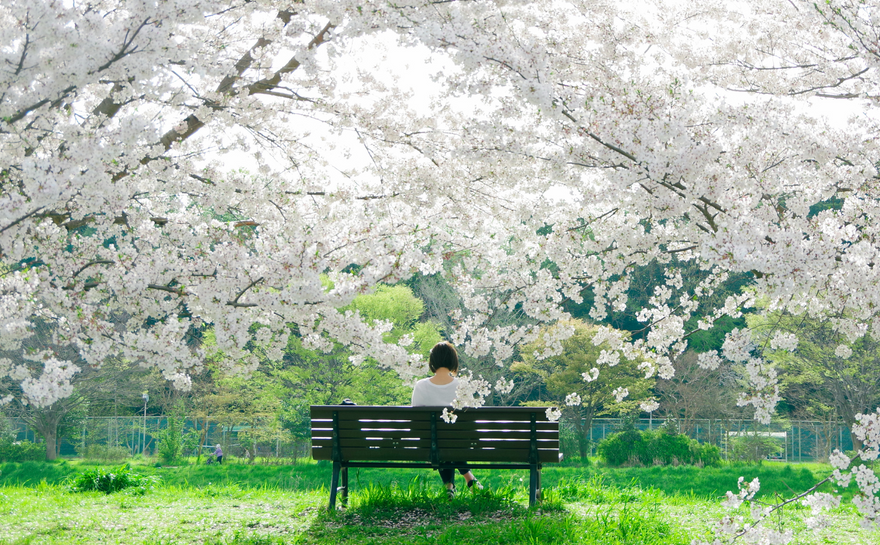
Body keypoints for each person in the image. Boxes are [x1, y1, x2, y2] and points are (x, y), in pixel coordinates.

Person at [411, 341, 482, 498]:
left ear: (432, 362)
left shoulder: (421, 386)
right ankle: (470, 480)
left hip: (429, 443)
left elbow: (416, 423)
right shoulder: (463, 386)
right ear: (453, 361)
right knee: (451, 437)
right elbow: (469, 424)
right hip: (461, 443)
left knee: (439, 438)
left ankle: (450, 486)